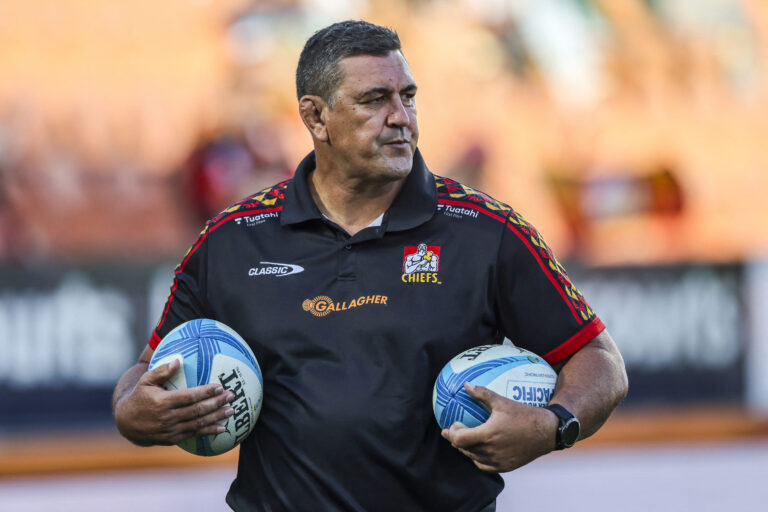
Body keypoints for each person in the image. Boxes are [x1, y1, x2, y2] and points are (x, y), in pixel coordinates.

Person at [112, 20, 628, 512]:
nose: (401, 117)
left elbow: (598, 358)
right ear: (316, 117)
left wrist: (554, 425)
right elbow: (143, 374)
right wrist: (134, 410)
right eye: (375, 100)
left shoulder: (488, 231)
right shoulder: (232, 240)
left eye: (408, 97)